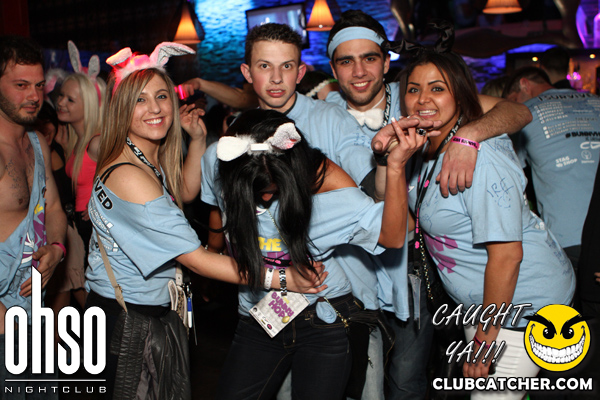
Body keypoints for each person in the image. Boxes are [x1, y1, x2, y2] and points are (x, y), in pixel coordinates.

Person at [86, 43, 326, 398]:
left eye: (161, 96)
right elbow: (197, 260)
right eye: (140, 100)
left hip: (137, 311)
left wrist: (197, 139)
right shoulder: (130, 176)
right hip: (127, 322)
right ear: (121, 107)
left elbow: (182, 192)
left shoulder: (138, 158)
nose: (155, 108)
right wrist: (282, 277)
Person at [325, 10, 533, 399]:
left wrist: (469, 136)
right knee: (351, 376)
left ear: (385, 62)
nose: (359, 71)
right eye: (346, 61)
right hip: (349, 269)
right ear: (333, 68)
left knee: (406, 376)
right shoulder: (323, 109)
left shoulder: (418, 95)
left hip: (415, 267)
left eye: (369, 58)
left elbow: (518, 110)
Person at [388, 26, 575, 399]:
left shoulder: (480, 158)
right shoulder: (425, 147)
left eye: (437, 88)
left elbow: (507, 256)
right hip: (486, 304)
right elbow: (403, 228)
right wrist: (391, 163)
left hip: (525, 305)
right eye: (413, 89)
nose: (422, 100)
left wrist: (486, 341)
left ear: (461, 95)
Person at [202, 108, 427, 400]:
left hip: (322, 319)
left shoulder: (326, 194)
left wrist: (394, 167)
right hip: (258, 318)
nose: (267, 197)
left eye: (274, 189)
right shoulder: (219, 161)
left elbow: (394, 235)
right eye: (258, 191)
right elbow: (214, 216)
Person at [0, 34, 67, 397]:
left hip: (35, 316)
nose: (34, 96)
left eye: (39, 85)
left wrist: (56, 248)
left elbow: (53, 208)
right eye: (21, 85)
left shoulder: (37, 143)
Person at [503, 66, 600, 266]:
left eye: (513, 100)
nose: (513, 107)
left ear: (524, 84)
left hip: (569, 235)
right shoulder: (596, 100)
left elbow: (510, 174)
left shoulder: (525, 111)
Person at [57, 61, 105, 274]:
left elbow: (128, 175)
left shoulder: (97, 141)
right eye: (61, 95)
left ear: (89, 105)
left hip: (95, 226)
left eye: (70, 99)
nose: (60, 103)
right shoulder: (77, 141)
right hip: (83, 223)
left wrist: (99, 202)